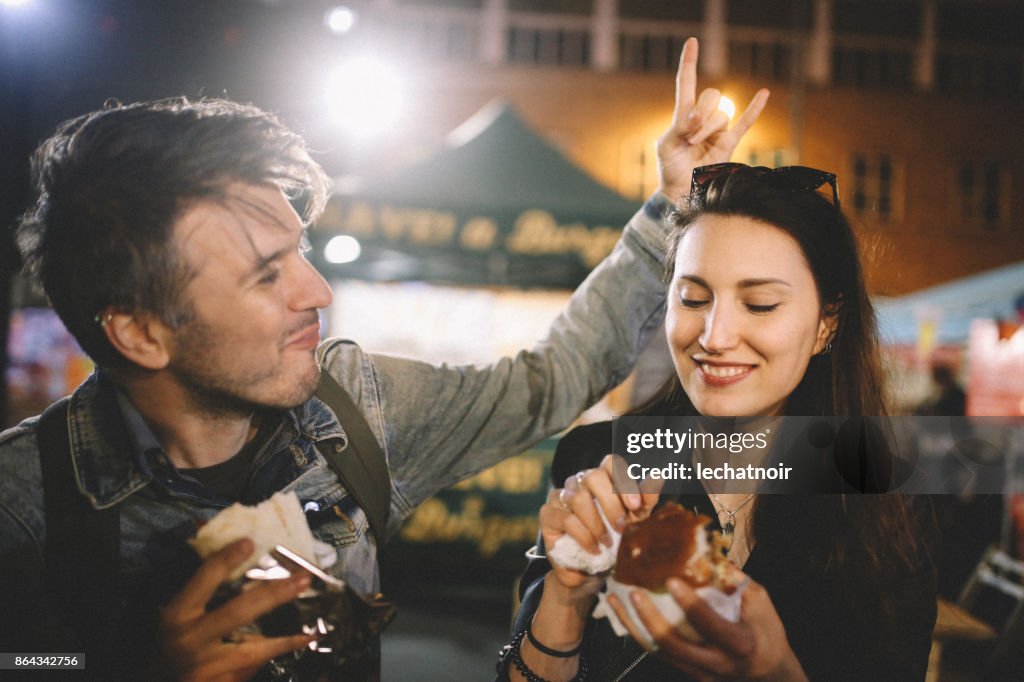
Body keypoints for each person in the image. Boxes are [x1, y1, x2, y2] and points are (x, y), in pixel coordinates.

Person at [0, 39, 767, 681]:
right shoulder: (23, 505)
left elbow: (549, 379)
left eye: (298, 250)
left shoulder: (358, 405)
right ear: (138, 333)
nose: (317, 288)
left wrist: (669, 204)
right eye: (266, 274)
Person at [498, 163, 939, 681]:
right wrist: (567, 593)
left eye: (760, 304)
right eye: (693, 298)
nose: (715, 335)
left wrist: (777, 673)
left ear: (827, 323)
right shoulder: (600, 459)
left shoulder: (889, 500)